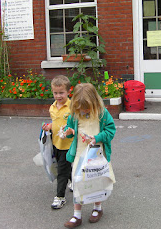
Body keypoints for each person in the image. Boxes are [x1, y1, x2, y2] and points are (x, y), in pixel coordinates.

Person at [63, 83, 116, 228]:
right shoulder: (74, 115)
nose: (84, 111)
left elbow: (111, 131)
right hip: (79, 154)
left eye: (86, 108)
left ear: (94, 102)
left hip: (96, 154)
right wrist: (68, 132)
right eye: (80, 108)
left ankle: (97, 208)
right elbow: (70, 129)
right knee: (77, 181)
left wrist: (97, 138)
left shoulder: (102, 113)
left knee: (96, 181)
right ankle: (77, 215)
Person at [42, 75, 73, 209]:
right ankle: (75, 183)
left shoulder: (73, 107)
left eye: (61, 93)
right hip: (56, 144)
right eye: (55, 93)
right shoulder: (52, 107)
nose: (58, 95)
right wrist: (49, 127)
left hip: (69, 145)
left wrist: (71, 130)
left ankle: (60, 197)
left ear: (68, 91)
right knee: (65, 167)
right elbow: (55, 122)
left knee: (62, 171)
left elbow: (77, 124)